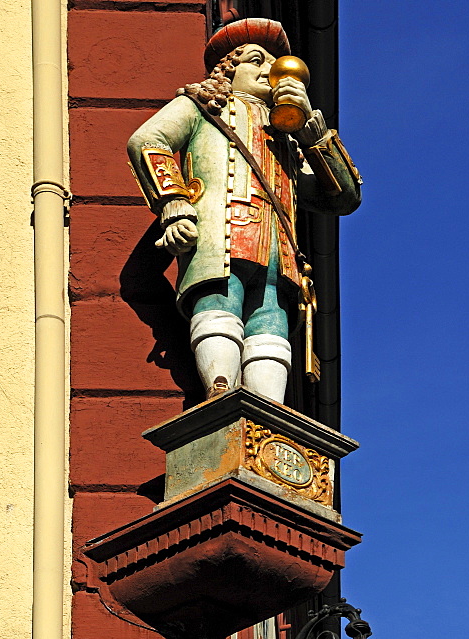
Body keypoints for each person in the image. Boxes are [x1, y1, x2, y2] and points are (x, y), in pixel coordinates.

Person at [127, 17, 361, 403]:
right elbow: (149, 139)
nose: (270, 71)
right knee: (220, 299)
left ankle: (266, 407)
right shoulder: (203, 108)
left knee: (271, 320)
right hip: (222, 234)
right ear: (228, 70)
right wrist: (175, 204)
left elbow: (343, 196)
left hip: (277, 248)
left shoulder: (288, 138)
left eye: (276, 66)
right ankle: (221, 388)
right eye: (256, 60)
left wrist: (311, 131)